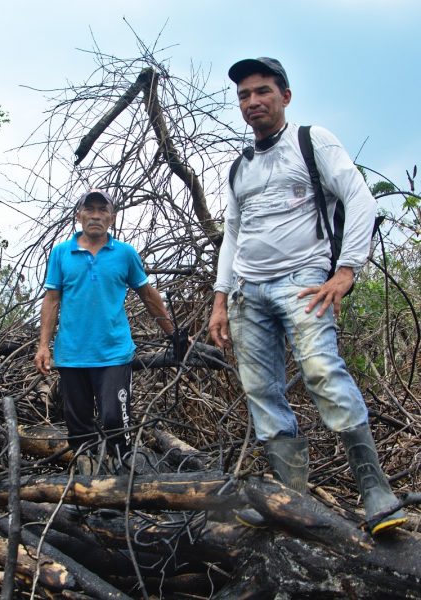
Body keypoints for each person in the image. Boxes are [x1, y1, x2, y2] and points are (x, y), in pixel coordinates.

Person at [208, 57, 406, 534]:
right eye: (244, 95)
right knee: (261, 392)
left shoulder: (311, 141)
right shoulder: (239, 168)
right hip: (247, 292)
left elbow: (360, 198)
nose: (252, 101)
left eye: (262, 92)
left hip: (304, 281)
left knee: (321, 370)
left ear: (285, 96)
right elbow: (233, 233)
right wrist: (220, 298)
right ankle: (291, 502)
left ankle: (376, 490)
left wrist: (347, 271)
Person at [35, 188, 174, 472]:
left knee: (114, 420)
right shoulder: (62, 253)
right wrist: (43, 346)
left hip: (113, 353)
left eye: (102, 210)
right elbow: (51, 300)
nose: (95, 215)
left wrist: (173, 333)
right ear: (79, 215)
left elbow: (147, 294)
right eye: (90, 210)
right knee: (79, 427)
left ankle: (122, 478)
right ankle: (87, 487)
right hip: (72, 354)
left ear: (111, 218)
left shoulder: (124, 254)